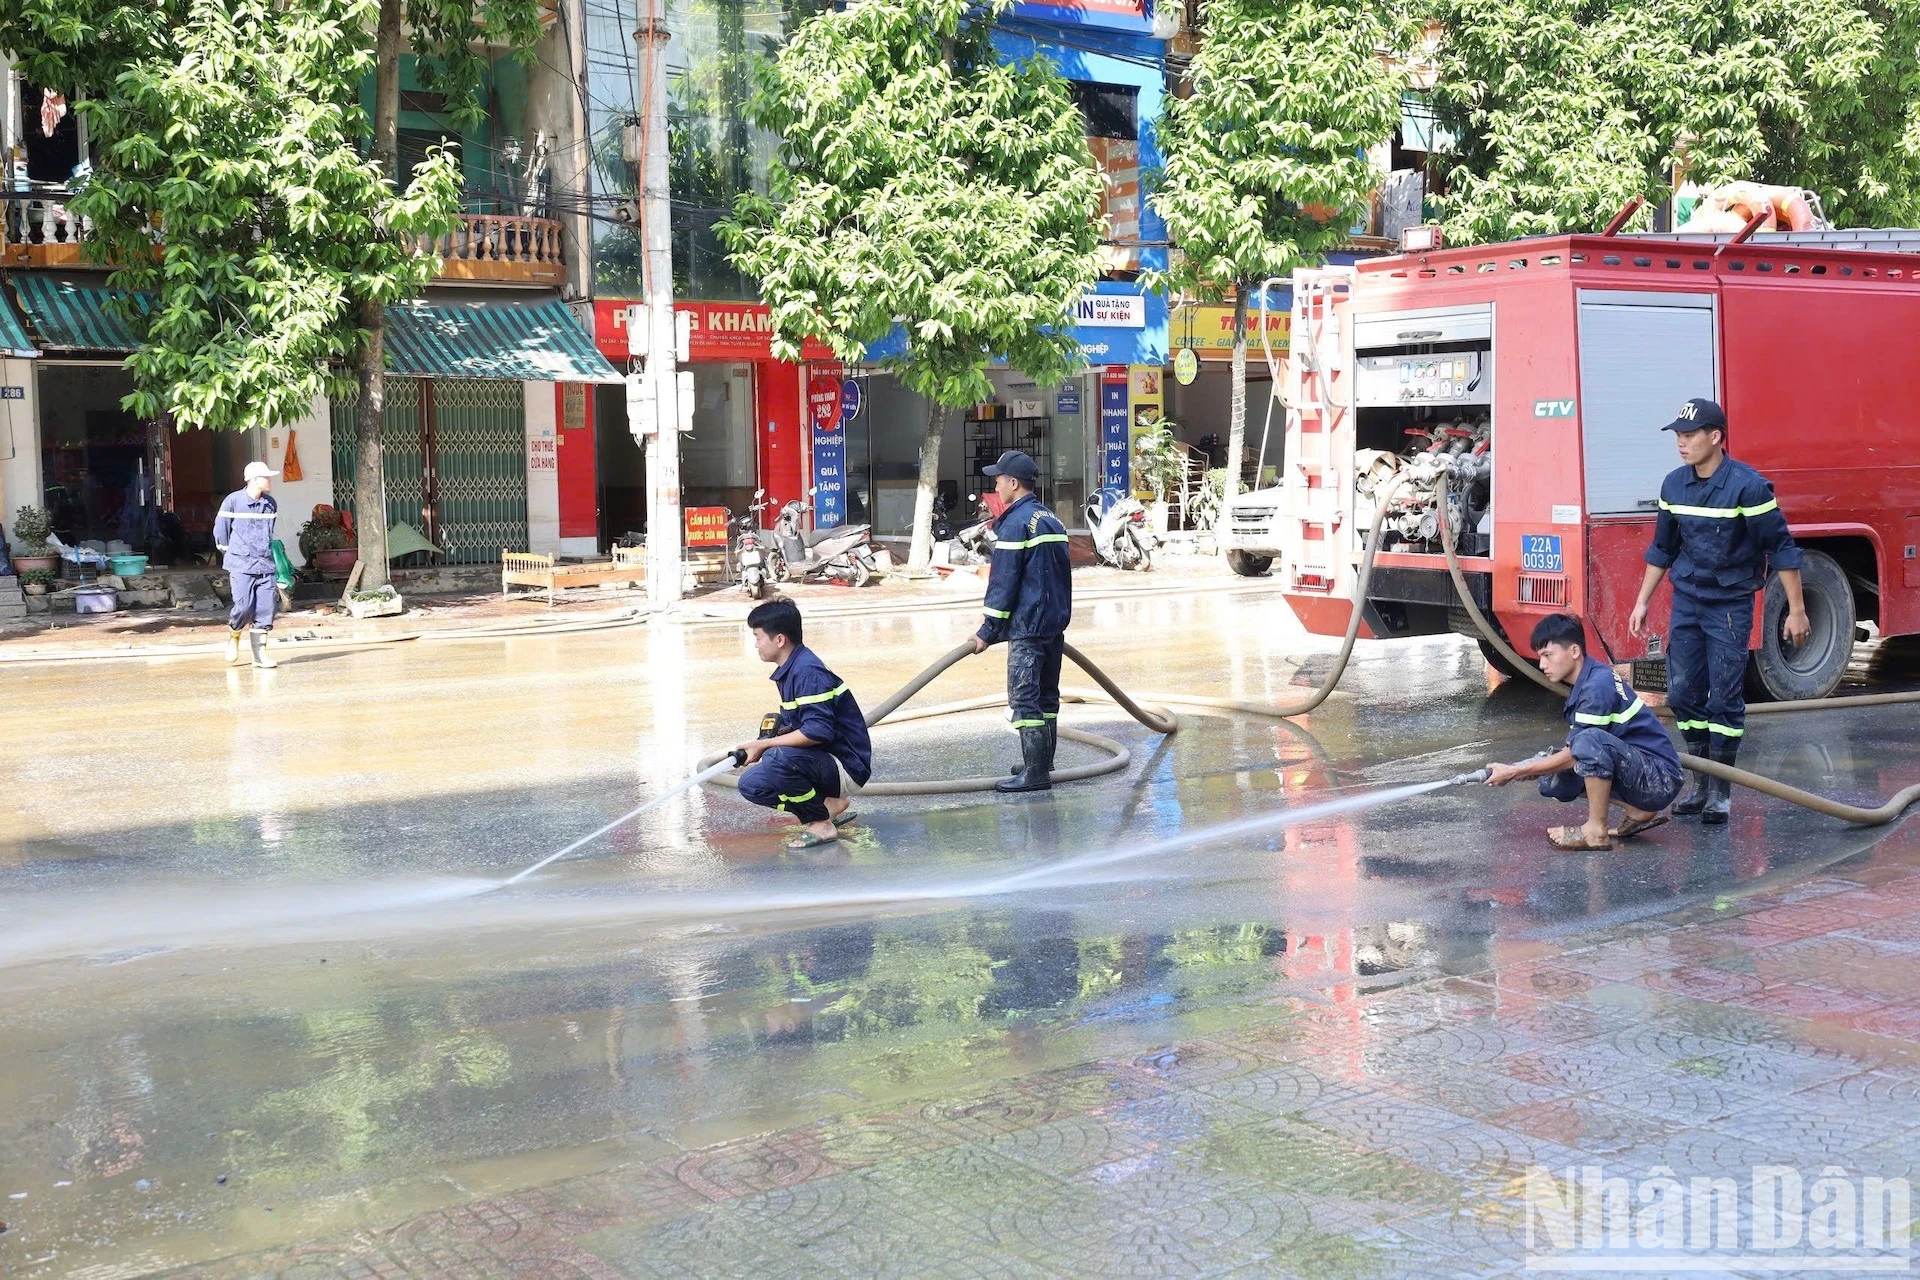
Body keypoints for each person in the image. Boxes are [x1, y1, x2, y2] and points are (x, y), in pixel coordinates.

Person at [1628, 397, 1807, 824]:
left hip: (1729, 605)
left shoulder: (1748, 487)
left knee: (1724, 699)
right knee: (1685, 693)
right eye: (1678, 436)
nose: (1681, 444)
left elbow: (1780, 549)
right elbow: (1662, 549)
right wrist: (1642, 600)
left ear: (1716, 437)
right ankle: (1701, 783)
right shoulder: (1673, 485)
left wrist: (1796, 610)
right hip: (1688, 602)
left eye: (1689, 436)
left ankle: (1721, 791)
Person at [1484, 613, 1686, 851]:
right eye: (1540, 657)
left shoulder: (1596, 689)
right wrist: (1528, 769)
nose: (1542, 665)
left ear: (1574, 652)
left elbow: (1578, 753)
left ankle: (1596, 831)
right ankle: (1637, 808)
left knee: (1586, 742)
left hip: (1660, 779)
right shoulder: (1590, 678)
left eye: (1548, 655)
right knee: (1552, 779)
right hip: (1644, 772)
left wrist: (1516, 771)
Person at [968, 450, 1072, 793]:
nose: (995, 485)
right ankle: (1041, 762)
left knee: (1024, 699)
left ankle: (1035, 775)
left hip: (1028, 626)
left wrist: (988, 630)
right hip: (1053, 624)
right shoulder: (1050, 518)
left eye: (999, 479)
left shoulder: (1014, 523)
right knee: (1046, 696)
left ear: (1014, 483)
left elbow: (1004, 581)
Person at [734, 598, 872, 851]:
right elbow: (798, 725)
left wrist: (764, 745)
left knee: (777, 758)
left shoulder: (808, 672)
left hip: (845, 765)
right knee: (751, 785)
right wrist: (771, 736)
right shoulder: (791, 669)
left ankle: (820, 823)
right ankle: (829, 805)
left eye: (758, 637)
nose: (756, 645)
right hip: (822, 761)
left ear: (779, 640)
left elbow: (817, 730)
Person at [213, 461, 282, 669]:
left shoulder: (271, 504)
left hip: (265, 564)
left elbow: (269, 532)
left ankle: (259, 656)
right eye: (266, 477)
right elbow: (221, 531)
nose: (270, 480)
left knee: (266, 609)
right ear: (253, 480)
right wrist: (231, 553)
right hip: (241, 564)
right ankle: (234, 633)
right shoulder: (232, 501)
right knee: (243, 606)